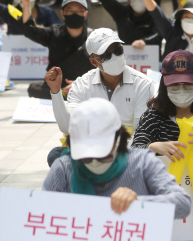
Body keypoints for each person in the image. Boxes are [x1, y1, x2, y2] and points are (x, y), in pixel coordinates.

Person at [43, 97, 193, 241]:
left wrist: (139, 203)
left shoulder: (142, 162)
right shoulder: (64, 168)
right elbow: (41, 222)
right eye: (86, 155)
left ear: (118, 139)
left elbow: (182, 203)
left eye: (101, 153)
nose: (94, 161)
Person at [45, 28, 155, 167]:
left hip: (127, 151)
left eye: (118, 50)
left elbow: (140, 132)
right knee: (56, 155)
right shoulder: (82, 84)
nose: (115, 57)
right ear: (93, 61)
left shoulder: (143, 84)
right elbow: (67, 127)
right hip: (91, 150)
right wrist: (55, 92)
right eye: (106, 55)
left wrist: (114, 153)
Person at [20, 0, 94, 100]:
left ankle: (69, 95)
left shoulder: (94, 37)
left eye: (79, 11)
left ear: (85, 14)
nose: (74, 14)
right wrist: (26, 5)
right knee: (34, 88)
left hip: (85, 87)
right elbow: (30, 31)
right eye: (69, 11)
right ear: (63, 13)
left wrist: (81, 86)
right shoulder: (54, 33)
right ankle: (63, 95)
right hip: (57, 87)